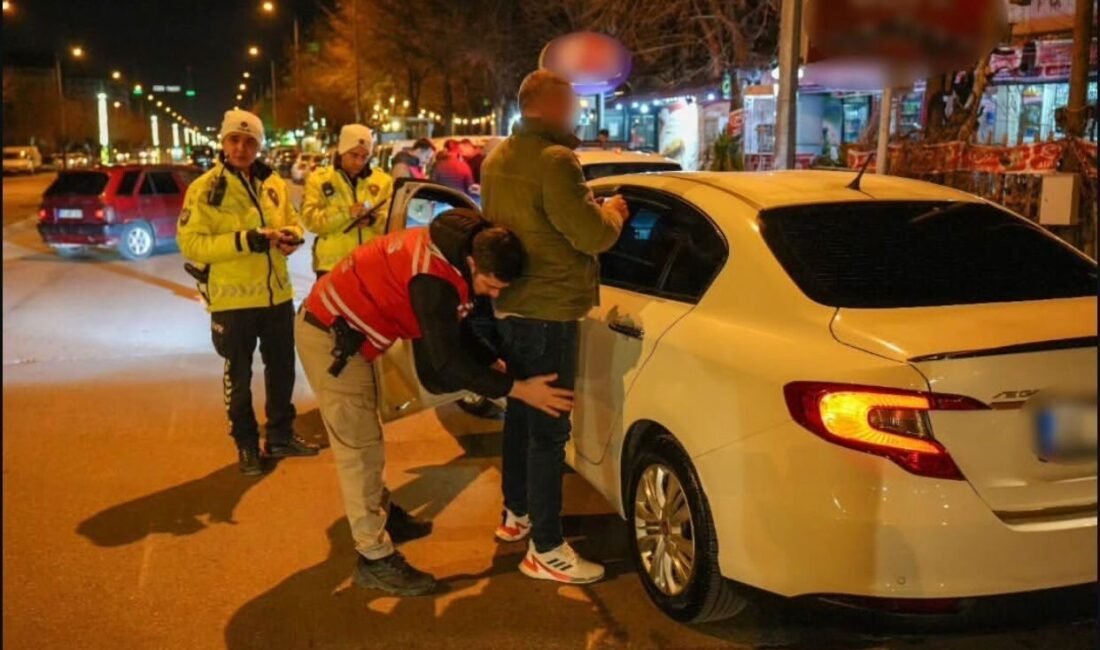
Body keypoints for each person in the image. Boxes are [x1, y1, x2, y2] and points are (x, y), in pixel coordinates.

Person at [295, 208, 574, 596]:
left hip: (353, 333)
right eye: (492, 285)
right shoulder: (432, 279)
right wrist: (520, 389)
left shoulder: (458, 249)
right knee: (359, 448)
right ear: (473, 263)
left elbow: (455, 328)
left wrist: (491, 363)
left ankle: (381, 514)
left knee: (367, 438)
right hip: (332, 339)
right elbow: (447, 361)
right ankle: (374, 558)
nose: (495, 294)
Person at [481, 70, 629, 584]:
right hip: (550, 310)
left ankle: (516, 514)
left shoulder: (497, 157)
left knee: (521, 418)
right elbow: (592, 235)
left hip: (511, 306)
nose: (577, 114)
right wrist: (612, 213)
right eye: (573, 105)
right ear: (552, 105)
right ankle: (546, 548)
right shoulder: (556, 161)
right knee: (549, 432)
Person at [177, 109, 320, 475]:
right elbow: (191, 243)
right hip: (233, 300)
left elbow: (293, 221)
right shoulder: (205, 188)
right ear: (223, 142)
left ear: (259, 145)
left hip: (277, 297)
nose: (241, 148)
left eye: (250, 141)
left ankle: (280, 436)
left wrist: (292, 238)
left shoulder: (273, 183)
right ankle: (246, 445)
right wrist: (246, 240)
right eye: (234, 140)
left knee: (283, 370)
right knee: (239, 377)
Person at [301, 124, 394, 279]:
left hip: (371, 265)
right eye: (354, 155)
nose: (359, 162)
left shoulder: (383, 182)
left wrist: (373, 220)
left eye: (365, 156)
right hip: (332, 267)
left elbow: (394, 224)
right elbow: (311, 221)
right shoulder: (319, 179)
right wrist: (346, 213)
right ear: (342, 151)